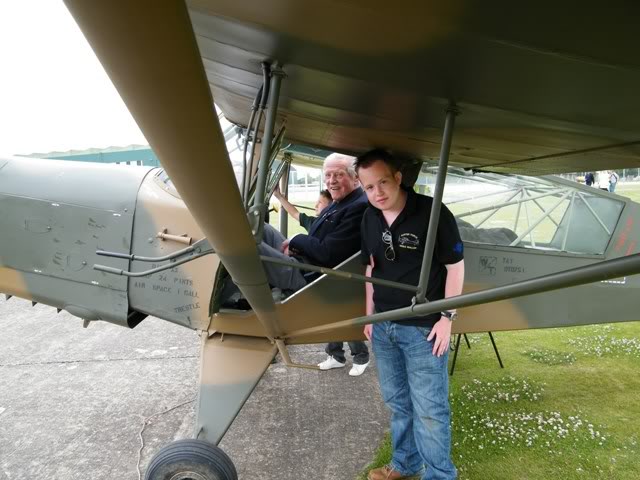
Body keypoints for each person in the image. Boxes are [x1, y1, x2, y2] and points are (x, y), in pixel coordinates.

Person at [356, 149, 464, 480]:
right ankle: (405, 464)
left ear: (398, 177)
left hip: (423, 329)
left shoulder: (432, 213)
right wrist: (369, 316)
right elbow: (371, 268)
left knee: (430, 411)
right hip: (385, 326)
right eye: (369, 187)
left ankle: (440, 476)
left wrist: (447, 318)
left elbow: (455, 267)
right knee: (399, 404)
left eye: (383, 182)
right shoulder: (369, 217)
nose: (378, 193)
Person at [258, 153, 371, 375]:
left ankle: (358, 356)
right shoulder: (339, 202)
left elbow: (328, 253)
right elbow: (318, 238)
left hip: (313, 276)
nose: (331, 181)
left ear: (356, 178)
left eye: (338, 175)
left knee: (242, 245)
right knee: (258, 229)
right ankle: (336, 356)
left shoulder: (357, 207)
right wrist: (297, 244)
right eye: (328, 175)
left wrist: (296, 241)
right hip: (304, 261)